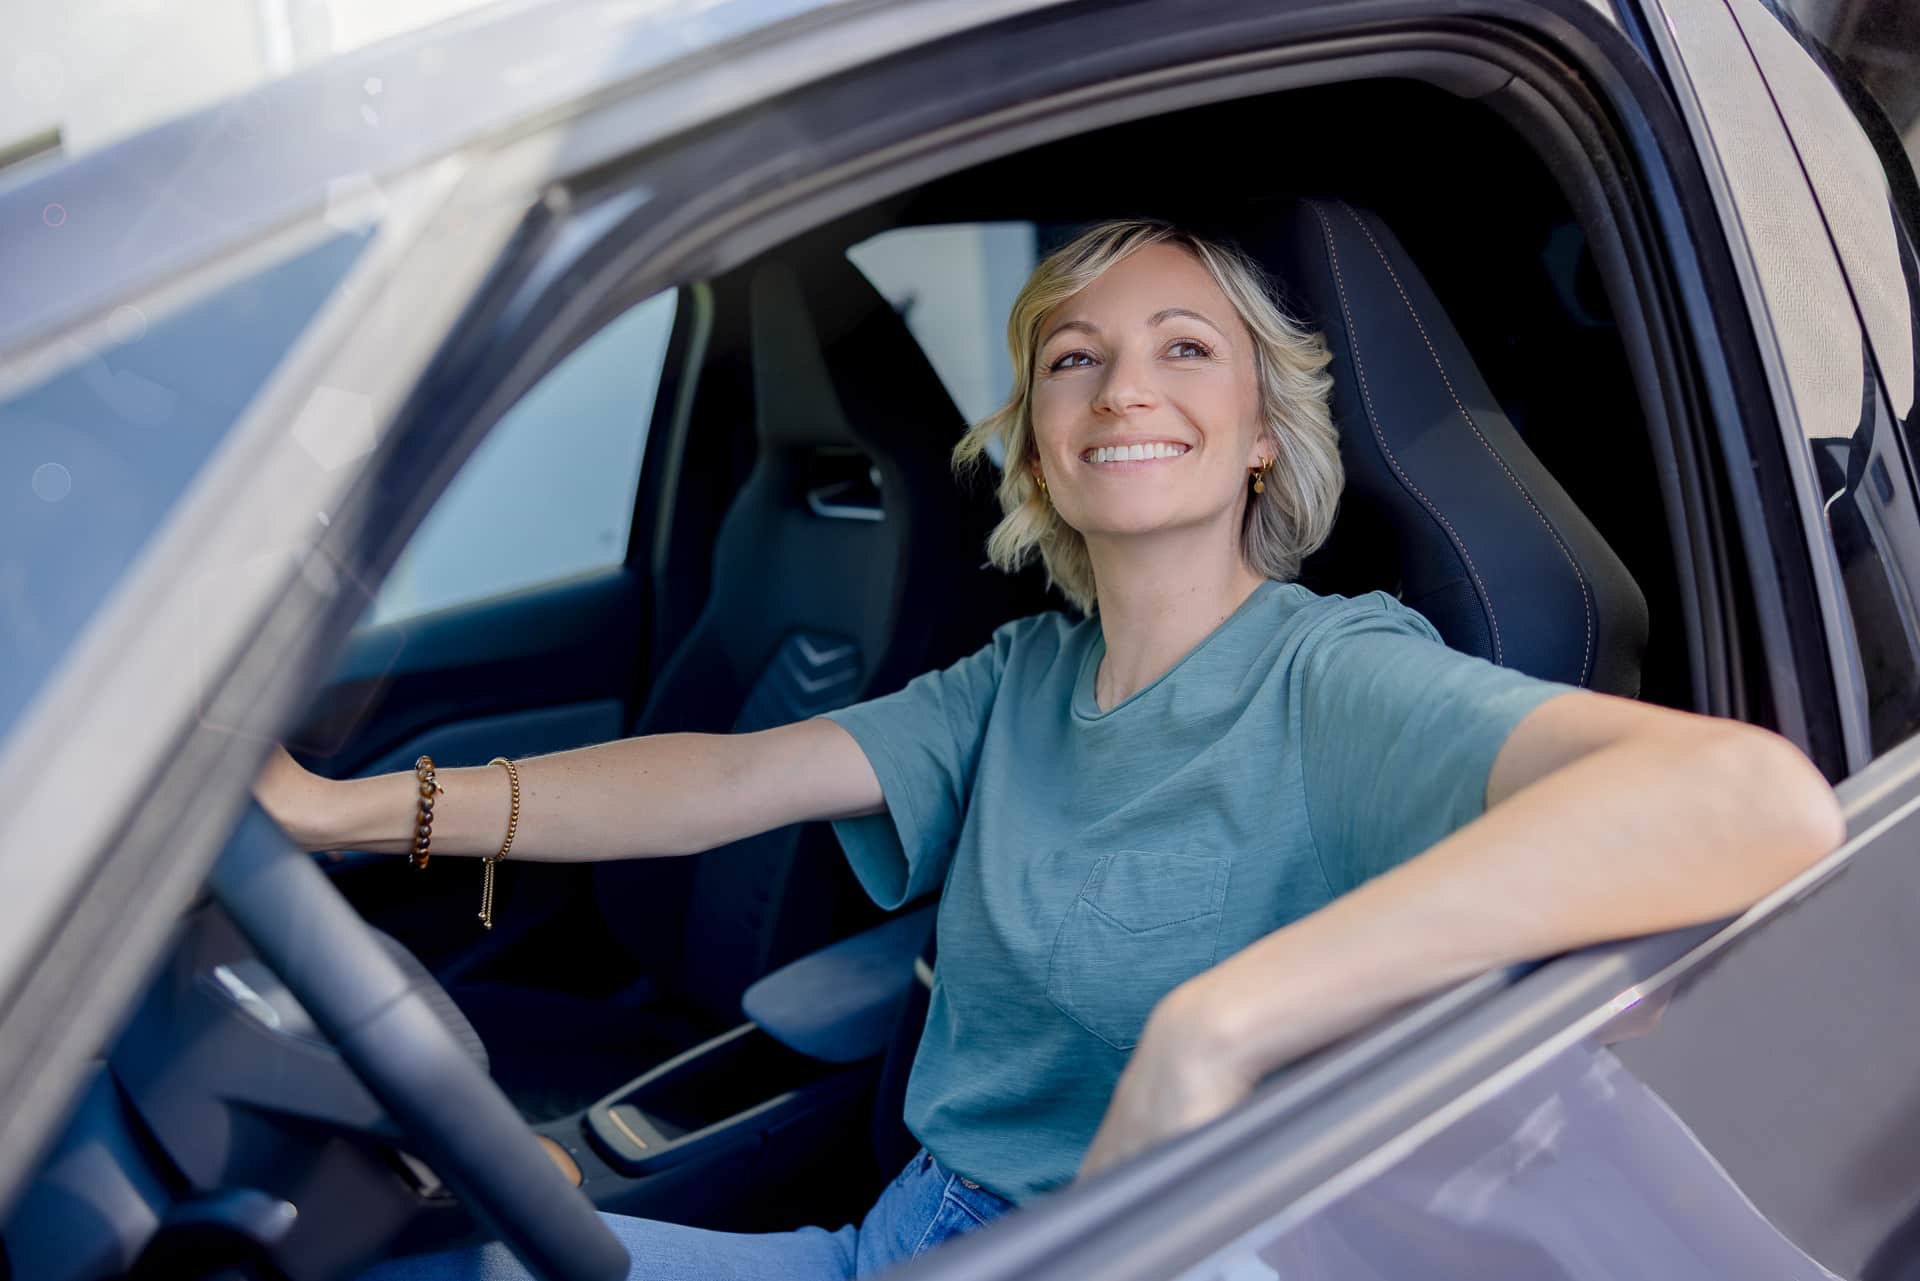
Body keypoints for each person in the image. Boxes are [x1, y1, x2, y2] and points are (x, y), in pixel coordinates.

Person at [252, 220, 1845, 1280]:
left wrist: (1220, 1022)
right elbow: (727, 780)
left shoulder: (1337, 677)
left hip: (1125, 1254)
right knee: (438, 1254)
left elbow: (1748, 795)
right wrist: (344, 810)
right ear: (1033, 442)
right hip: (893, 1243)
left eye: (1183, 348)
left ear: (1263, 433)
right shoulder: (1021, 675)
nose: (1121, 385)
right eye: (1072, 357)